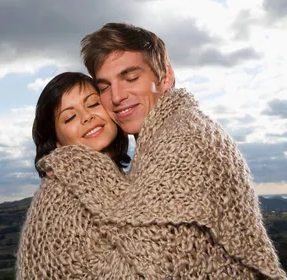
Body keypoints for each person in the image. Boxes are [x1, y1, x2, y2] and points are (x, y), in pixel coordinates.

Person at [62, 22, 284, 279]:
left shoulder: (181, 141)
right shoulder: (168, 134)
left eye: (130, 78)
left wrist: (68, 168)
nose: (116, 96)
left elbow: (158, 265)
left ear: (165, 77)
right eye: (104, 87)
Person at [16, 71, 145, 279]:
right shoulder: (60, 196)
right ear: (57, 142)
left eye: (93, 104)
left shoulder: (111, 181)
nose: (87, 117)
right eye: (70, 117)